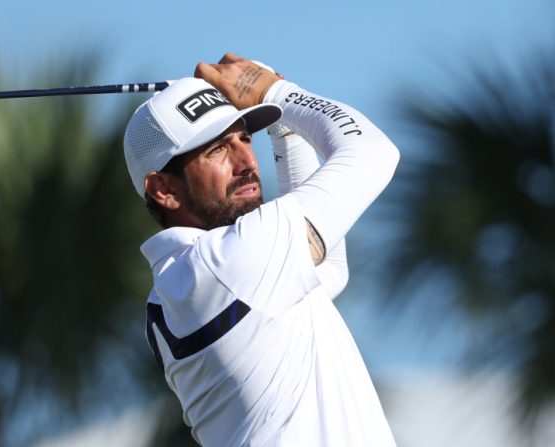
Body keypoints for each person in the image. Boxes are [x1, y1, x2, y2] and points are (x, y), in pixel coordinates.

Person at [123, 53, 400, 446]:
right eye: (217, 149)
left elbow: (328, 274)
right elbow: (375, 152)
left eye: (245, 137)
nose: (247, 162)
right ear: (163, 189)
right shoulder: (222, 263)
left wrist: (284, 129)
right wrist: (276, 92)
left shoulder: (188, 280)